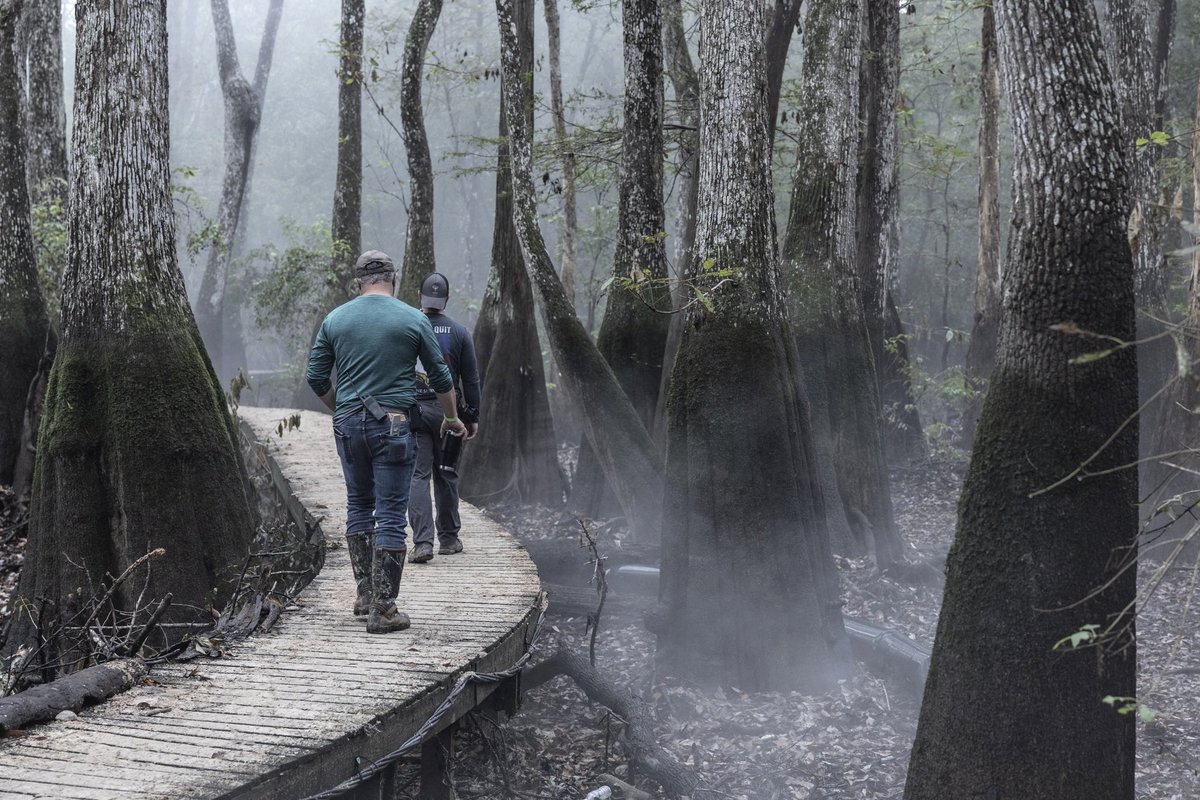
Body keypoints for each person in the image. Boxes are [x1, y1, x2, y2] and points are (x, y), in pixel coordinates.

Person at [305, 251, 468, 634]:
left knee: (359, 505)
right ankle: (384, 608)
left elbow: (315, 378)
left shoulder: (335, 319)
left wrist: (340, 408)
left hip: (348, 423)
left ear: (357, 282)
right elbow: (441, 377)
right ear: (394, 279)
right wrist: (450, 417)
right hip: (394, 426)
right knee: (391, 513)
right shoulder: (412, 318)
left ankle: (364, 595)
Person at [407, 272, 481, 564]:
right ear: (446, 300)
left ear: (419, 296)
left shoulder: (409, 328)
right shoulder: (459, 332)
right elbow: (471, 380)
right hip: (447, 411)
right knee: (446, 471)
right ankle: (449, 539)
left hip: (415, 410)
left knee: (418, 475)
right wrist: (471, 415)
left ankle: (423, 542)